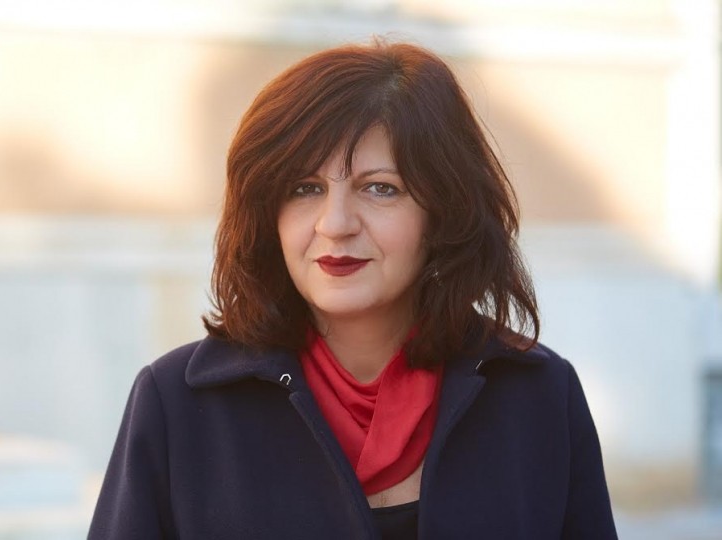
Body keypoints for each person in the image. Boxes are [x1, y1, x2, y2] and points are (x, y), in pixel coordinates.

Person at [88, 40, 617, 539]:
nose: (335, 224)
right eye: (305, 188)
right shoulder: (175, 403)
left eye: (380, 188)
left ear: (445, 211)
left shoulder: (539, 396)